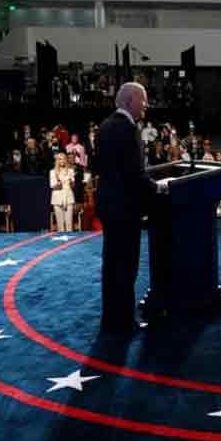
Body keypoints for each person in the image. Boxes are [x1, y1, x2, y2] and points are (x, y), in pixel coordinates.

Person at [95, 82, 167, 335]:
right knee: (126, 266)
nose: (146, 104)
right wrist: (158, 189)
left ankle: (111, 320)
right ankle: (125, 324)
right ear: (129, 102)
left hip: (108, 206)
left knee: (112, 265)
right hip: (125, 209)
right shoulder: (128, 129)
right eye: (143, 100)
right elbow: (135, 175)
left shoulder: (104, 126)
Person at [49, 153, 76, 232]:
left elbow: (73, 185)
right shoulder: (52, 172)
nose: (62, 160)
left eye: (64, 158)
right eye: (60, 159)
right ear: (57, 160)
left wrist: (71, 181)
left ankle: (71, 242)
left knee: (69, 225)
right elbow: (52, 186)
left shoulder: (70, 171)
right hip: (57, 198)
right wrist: (59, 184)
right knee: (60, 225)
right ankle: (62, 243)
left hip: (68, 197)